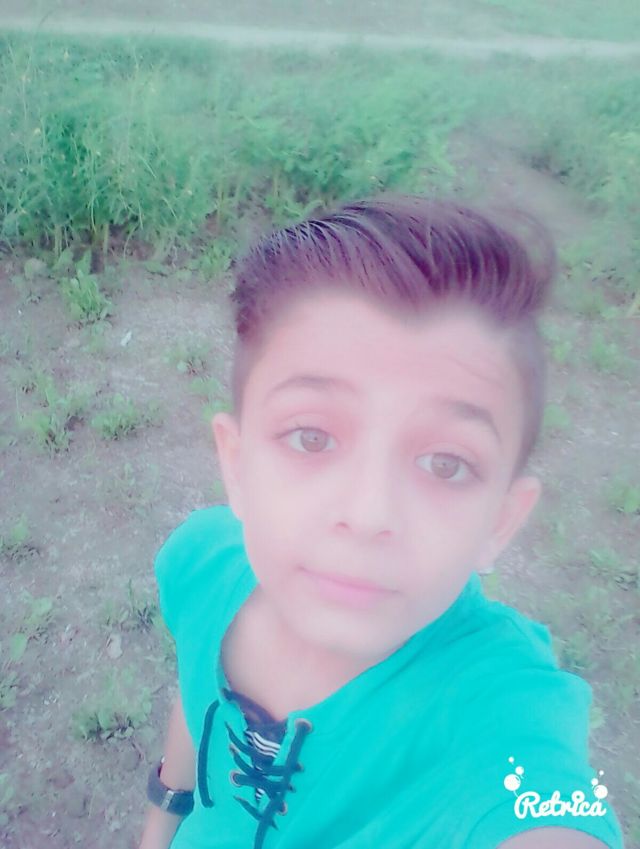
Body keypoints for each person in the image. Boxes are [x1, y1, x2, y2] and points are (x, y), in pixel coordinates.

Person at [138, 195, 626, 849]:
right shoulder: (200, 563)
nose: (369, 514)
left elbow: (543, 801)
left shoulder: (497, 713)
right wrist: (161, 821)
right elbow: (193, 689)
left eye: (446, 464)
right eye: (311, 437)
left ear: (500, 522)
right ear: (238, 465)